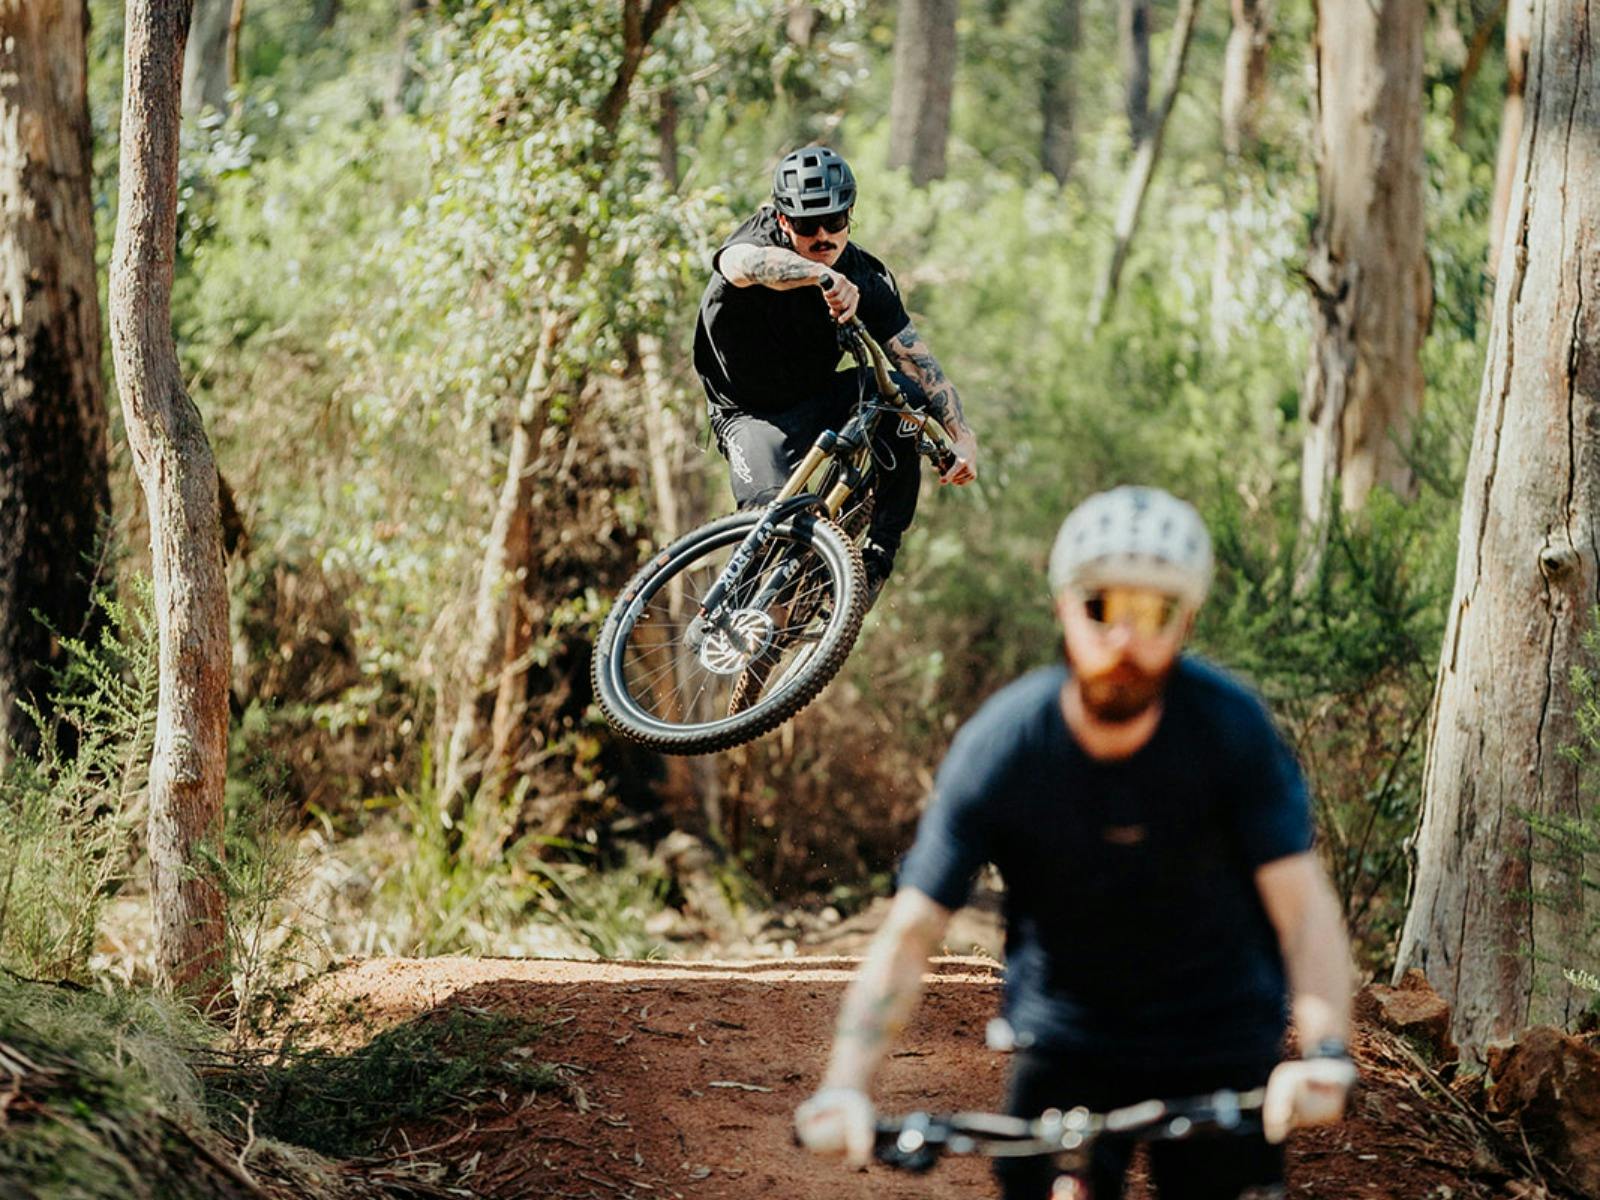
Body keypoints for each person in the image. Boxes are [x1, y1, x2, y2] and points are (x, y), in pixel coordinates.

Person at [794, 486, 1358, 1199]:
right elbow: (910, 933)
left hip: (1218, 1036)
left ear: (1187, 621)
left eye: (1154, 612)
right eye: (1103, 607)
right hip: (1068, 1042)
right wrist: (845, 1085)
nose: (1124, 639)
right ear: (1064, 606)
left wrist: (1325, 1052)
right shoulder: (1004, 747)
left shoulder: (1233, 733)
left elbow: (1304, 911)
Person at [693, 145, 979, 606]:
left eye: (834, 221)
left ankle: (876, 557)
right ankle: (746, 609)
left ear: (850, 215)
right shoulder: (758, 238)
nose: (822, 235)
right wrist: (818, 276)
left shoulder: (866, 278)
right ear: (783, 221)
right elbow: (739, 266)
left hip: (818, 398)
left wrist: (962, 439)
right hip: (748, 415)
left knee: (902, 396)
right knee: (769, 521)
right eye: (807, 226)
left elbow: (919, 363)